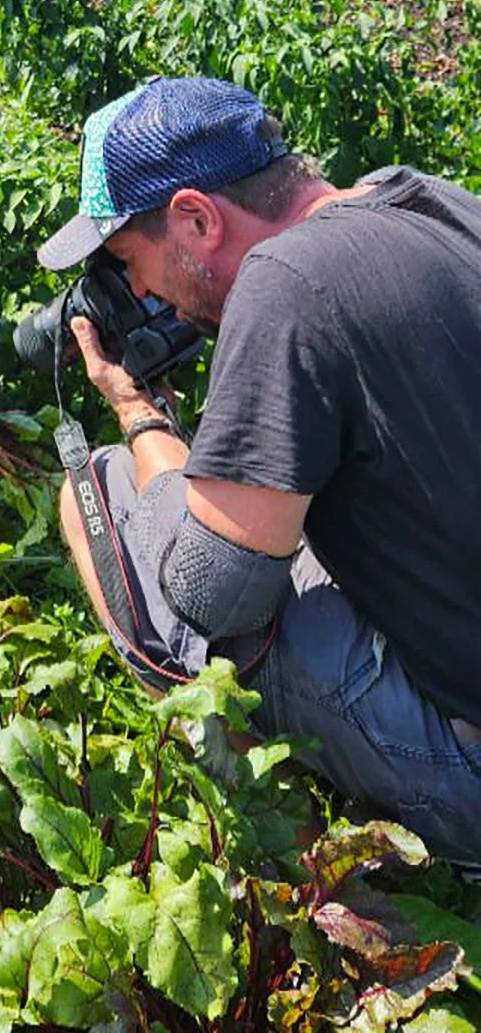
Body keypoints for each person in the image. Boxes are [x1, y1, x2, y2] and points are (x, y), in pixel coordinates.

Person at [38, 75, 481, 863]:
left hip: (468, 769)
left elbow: (214, 592)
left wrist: (142, 418)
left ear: (198, 218)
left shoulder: (283, 282)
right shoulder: (430, 201)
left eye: (129, 260)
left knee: (102, 493)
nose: (138, 292)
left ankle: (275, 848)